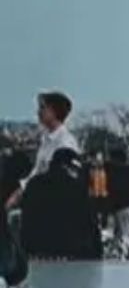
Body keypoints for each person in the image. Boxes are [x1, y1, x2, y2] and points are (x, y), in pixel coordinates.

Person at [5, 92, 79, 230]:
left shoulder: (65, 143)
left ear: (54, 111)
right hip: (38, 193)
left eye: (43, 108)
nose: (39, 112)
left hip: (51, 200)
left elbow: (61, 180)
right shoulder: (46, 140)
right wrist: (19, 192)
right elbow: (37, 172)